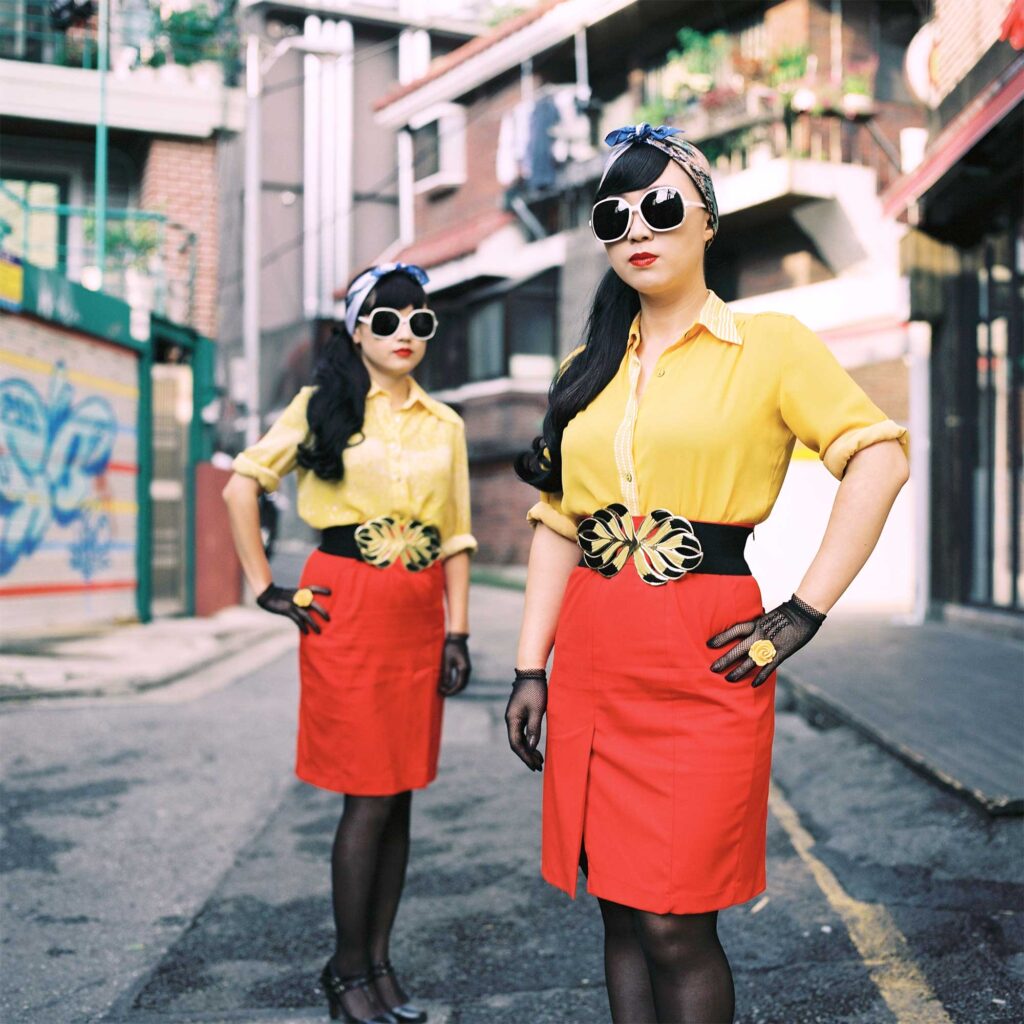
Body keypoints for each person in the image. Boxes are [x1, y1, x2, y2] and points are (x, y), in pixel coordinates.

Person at [506, 124, 910, 1024]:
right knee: (618, 912)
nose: (636, 229)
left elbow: (879, 460)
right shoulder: (587, 369)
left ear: (706, 219)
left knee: (676, 925)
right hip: (597, 659)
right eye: (614, 217)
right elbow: (559, 523)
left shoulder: (771, 344)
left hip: (706, 656)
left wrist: (802, 612)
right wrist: (531, 666)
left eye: (659, 206)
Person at [223, 263, 476, 1024]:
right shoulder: (320, 406)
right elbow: (244, 484)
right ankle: (344, 975)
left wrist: (458, 630)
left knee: (399, 798)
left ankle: (379, 967)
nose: (405, 333)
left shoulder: (448, 424)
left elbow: (458, 536)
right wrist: (269, 586)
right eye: (388, 319)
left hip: (418, 614)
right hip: (348, 608)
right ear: (357, 329)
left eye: (420, 321)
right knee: (366, 798)